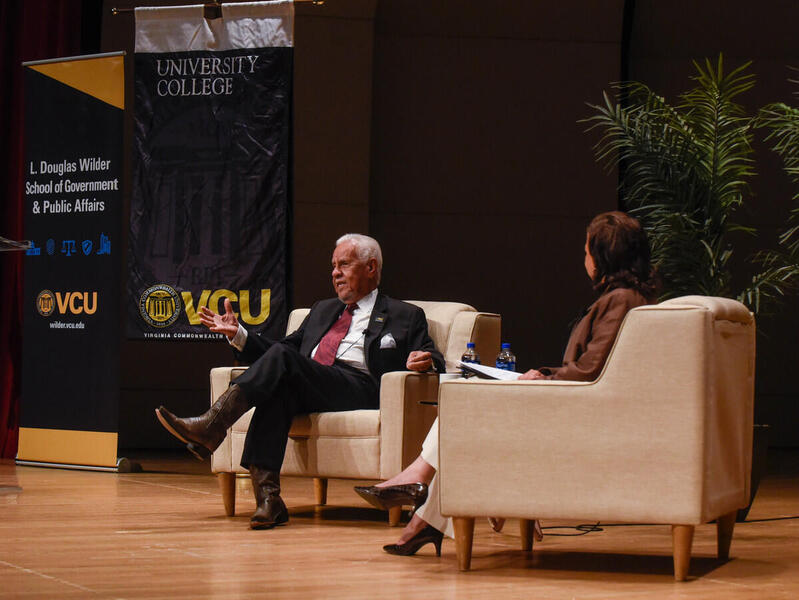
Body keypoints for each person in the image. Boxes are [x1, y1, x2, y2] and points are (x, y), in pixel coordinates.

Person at [355, 211, 658, 556]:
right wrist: (544, 375)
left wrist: (544, 376)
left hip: (582, 410)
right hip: (582, 403)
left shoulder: (621, 300)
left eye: (587, 251)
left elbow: (591, 371)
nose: (584, 259)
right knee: (471, 409)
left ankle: (419, 483)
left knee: (471, 405)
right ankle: (423, 519)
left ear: (604, 255)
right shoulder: (627, 298)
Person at [155, 233, 445, 530]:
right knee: (279, 388)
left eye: (344, 264)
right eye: (333, 266)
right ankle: (269, 500)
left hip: (360, 387)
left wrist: (423, 360)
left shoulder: (404, 314)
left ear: (371, 267)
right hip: (314, 382)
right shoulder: (322, 310)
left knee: (284, 366)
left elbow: (434, 357)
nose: (335, 273)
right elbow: (280, 353)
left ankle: (212, 426)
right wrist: (238, 334)